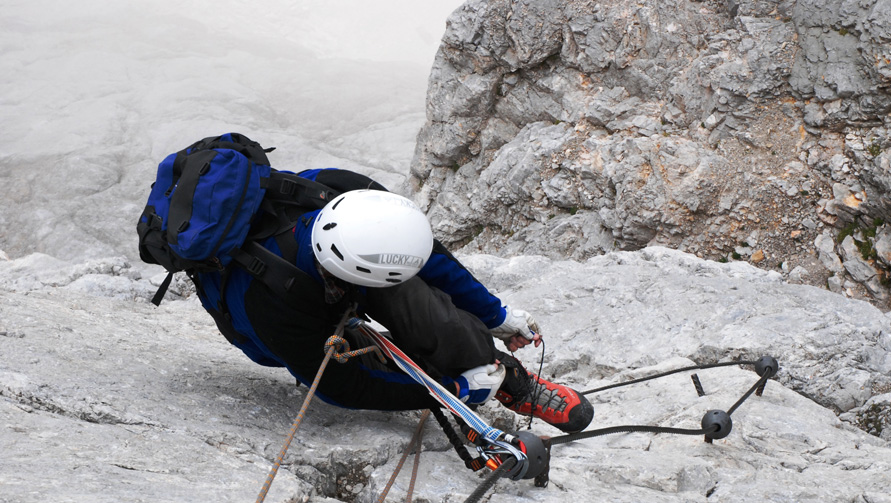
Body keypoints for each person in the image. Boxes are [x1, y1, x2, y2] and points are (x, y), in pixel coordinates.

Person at [191, 167, 593, 434]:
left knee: (437, 320)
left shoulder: (355, 198)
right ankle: (461, 382)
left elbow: (431, 260)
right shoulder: (269, 304)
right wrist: (453, 389)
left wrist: (495, 315)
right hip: (271, 322)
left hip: (323, 273)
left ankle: (511, 382)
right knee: (353, 360)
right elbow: (342, 388)